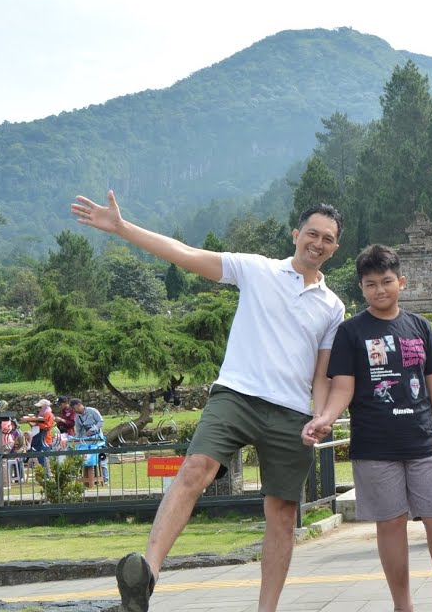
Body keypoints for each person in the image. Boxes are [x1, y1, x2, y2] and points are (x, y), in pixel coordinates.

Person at [72, 191, 346, 612]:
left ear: (335, 247)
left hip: (291, 412)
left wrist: (322, 415)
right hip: (236, 394)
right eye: (312, 233)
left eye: (328, 238)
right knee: (195, 469)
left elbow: (322, 373)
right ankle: (144, 581)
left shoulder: (333, 306)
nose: (318, 243)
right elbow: (185, 253)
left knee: (284, 511)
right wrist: (122, 228)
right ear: (296, 234)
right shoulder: (257, 270)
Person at [302, 244, 432, 612]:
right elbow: (343, 387)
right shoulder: (351, 332)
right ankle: (403, 606)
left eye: (386, 281)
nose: (380, 290)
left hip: (423, 441)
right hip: (375, 446)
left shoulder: (420, 327)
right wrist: (325, 419)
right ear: (361, 288)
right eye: (370, 284)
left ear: (401, 282)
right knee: (390, 525)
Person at [71, 398, 107, 488]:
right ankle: (89, 480)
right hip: (86, 442)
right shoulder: (77, 417)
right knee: (87, 459)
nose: (74, 410)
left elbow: (101, 422)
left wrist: (92, 429)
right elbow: (78, 432)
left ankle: (105, 480)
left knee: (101, 459)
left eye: (74, 408)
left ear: (79, 405)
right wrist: (76, 440)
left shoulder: (92, 411)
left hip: (97, 439)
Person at [22, 398, 56, 480]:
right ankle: (45, 475)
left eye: (40, 407)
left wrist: (36, 422)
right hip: (38, 437)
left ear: (45, 406)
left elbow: (47, 426)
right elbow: (35, 427)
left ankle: (47, 476)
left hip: (45, 439)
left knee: (43, 457)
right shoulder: (41, 414)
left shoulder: (48, 414)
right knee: (40, 457)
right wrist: (31, 421)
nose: (38, 409)